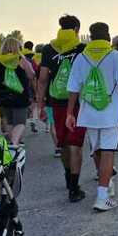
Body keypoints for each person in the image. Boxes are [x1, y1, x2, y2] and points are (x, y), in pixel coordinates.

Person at [65, 22, 118, 211]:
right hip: (111, 113)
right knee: (108, 151)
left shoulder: (81, 58)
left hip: (88, 112)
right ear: (107, 36)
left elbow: (73, 88)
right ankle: (102, 196)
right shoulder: (116, 56)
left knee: (96, 149)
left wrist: (70, 113)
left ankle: (106, 183)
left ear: (90, 36)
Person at [37, 15, 88, 202]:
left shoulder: (49, 49)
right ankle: (74, 187)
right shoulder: (82, 49)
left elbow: (42, 78)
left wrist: (40, 103)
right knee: (75, 143)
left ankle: (68, 176)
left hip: (56, 101)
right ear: (76, 29)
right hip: (78, 103)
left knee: (64, 142)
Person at [0, 37, 36, 146]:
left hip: (3, 96)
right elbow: (31, 75)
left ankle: (12, 142)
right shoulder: (21, 59)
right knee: (20, 122)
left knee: (9, 122)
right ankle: (14, 143)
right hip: (20, 96)